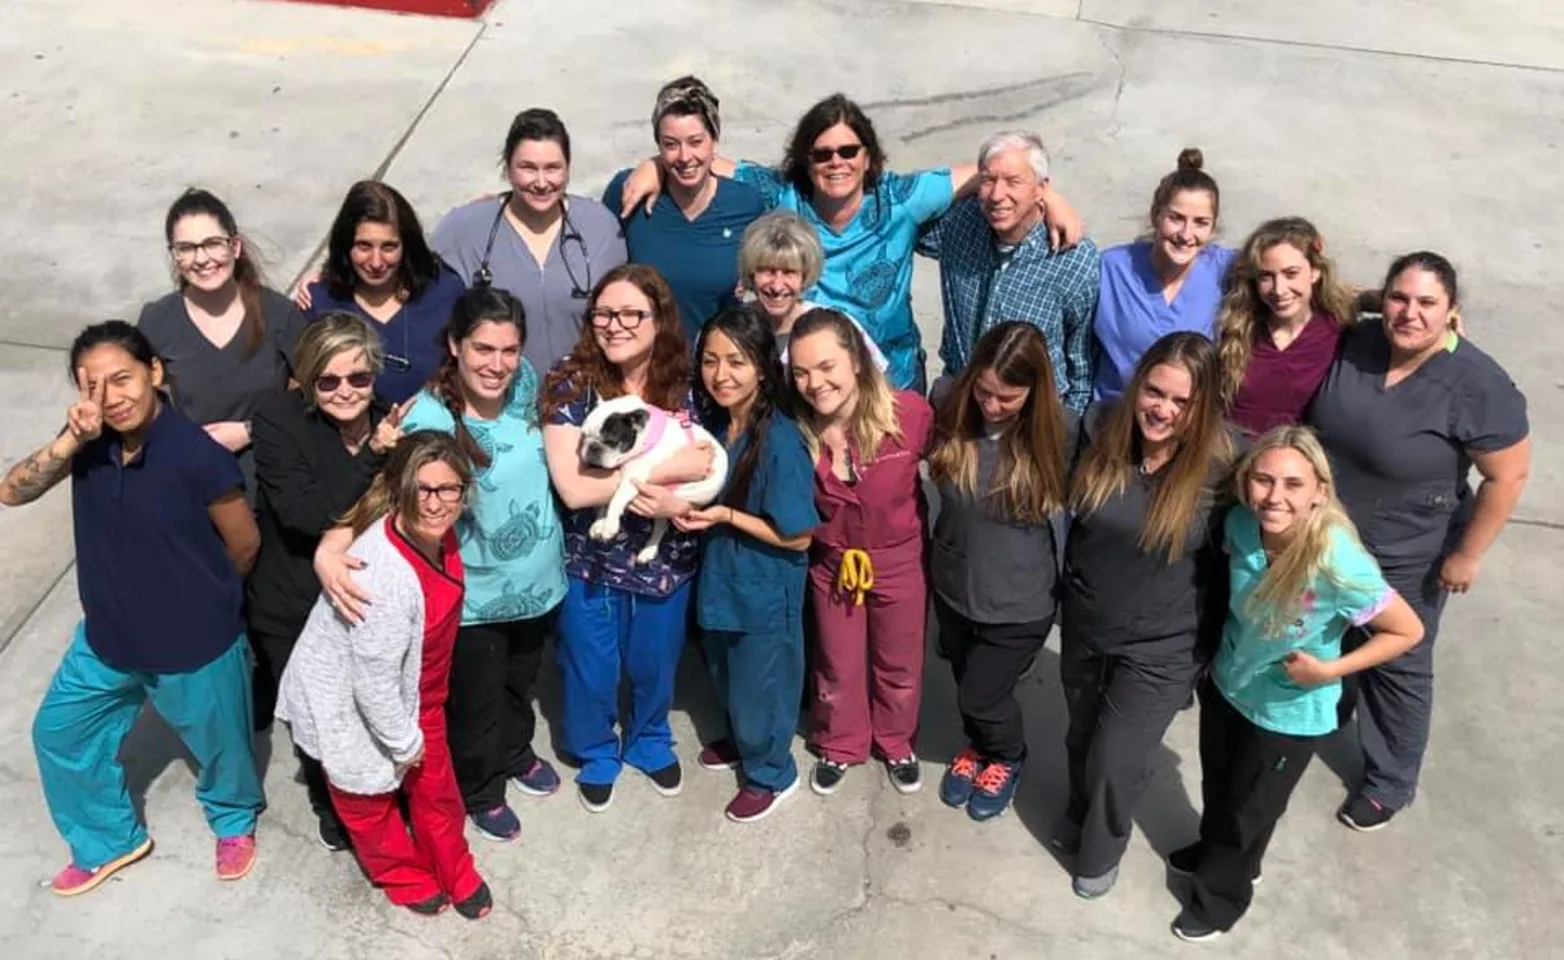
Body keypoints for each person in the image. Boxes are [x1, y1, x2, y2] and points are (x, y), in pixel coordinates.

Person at [2, 322, 264, 896]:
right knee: (59, 734)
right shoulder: (85, 443)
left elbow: (243, 544)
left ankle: (233, 820)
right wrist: (69, 443)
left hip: (192, 642)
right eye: (91, 385)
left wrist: (205, 602)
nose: (109, 396)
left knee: (223, 751)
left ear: (154, 372)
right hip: (106, 641)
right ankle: (109, 840)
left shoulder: (196, 454)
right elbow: (11, 491)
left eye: (121, 378)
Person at [315, 288, 570, 840]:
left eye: (509, 349)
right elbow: (385, 499)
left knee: (518, 684)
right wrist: (330, 546)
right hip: (471, 596)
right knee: (475, 701)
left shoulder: (527, 381)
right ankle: (481, 789)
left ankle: (515, 750)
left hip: (539, 582)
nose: (497, 365)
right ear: (455, 345)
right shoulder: (426, 417)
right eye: (482, 349)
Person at [619, 93, 1085, 391]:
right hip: (810, 387)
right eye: (822, 153)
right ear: (806, 159)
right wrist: (653, 165)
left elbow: (988, 173)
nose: (835, 162)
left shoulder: (900, 199)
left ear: (867, 157)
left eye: (848, 151)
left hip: (892, 385)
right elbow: (702, 161)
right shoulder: (784, 195)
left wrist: (1050, 196)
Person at [1166, 426, 1425, 942]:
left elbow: (1407, 630)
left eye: (1292, 483)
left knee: (1250, 809)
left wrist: (1328, 671)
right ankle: (1221, 854)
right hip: (1230, 686)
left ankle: (1221, 899)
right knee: (1220, 786)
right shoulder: (1241, 525)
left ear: (1318, 493)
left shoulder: (1338, 560)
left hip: (1290, 712)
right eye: (1262, 480)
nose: (1274, 496)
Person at [1308, 252, 1530, 832]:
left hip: (1412, 547)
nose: (1409, 313)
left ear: (1452, 313)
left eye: (1427, 303)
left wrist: (1467, 555)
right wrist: (1367, 302)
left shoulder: (1478, 383)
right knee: (1333, 624)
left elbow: (1507, 477)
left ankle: (1389, 780)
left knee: (1399, 661)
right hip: (1330, 534)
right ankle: (1336, 702)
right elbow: (1321, 292)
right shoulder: (1360, 340)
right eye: (1399, 299)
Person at [277, 432, 493, 920]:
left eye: (448, 488)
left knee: (437, 791)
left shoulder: (443, 537)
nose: (436, 503)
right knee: (364, 799)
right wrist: (401, 742)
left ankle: (456, 870)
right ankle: (402, 873)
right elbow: (371, 684)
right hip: (354, 699)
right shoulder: (381, 576)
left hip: (420, 693)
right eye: (423, 489)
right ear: (398, 489)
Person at [1056, 331, 1235, 899]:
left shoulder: (1225, 471)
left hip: (1163, 645)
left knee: (1118, 758)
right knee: (1082, 736)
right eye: (1154, 392)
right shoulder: (1098, 429)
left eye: (1182, 402)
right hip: (1086, 622)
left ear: (1202, 408)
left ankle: (1100, 852)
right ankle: (1080, 810)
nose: (1163, 409)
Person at [541, 263, 720, 812]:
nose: (614, 325)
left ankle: (648, 739)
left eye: (630, 314)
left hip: (664, 551)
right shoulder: (570, 383)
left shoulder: (689, 384)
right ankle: (596, 748)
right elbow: (573, 489)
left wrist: (685, 481)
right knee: (590, 658)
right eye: (603, 313)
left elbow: (712, 459)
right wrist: (666, 471)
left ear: (659, 319)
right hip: (590, 553)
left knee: (654, 657)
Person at [247, 312, 405, 849]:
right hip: (292, 600)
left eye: (359, 378)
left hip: (365, 599)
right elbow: (306, 513)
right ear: (310, 379)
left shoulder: (389, 420)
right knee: (317, 721)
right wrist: (372, 459)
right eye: (328, 380)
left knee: (374, 705)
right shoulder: (278, 421)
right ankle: (329, 803)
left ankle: (380, 793)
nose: (345, 391)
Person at [927, 322, 1076, 821]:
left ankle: (1008, 756)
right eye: (984, 392)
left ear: (1035, 394)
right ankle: (979, 747)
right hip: (952, 584)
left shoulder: (1063, 434)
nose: (991, 406)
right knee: (965, 678)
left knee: (982, 695)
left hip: (1019, 602)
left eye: (1007, 398)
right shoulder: (948, 401)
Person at [677, 305, 818, 822]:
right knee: (726, 671)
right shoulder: (718, 424)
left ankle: (771, 772)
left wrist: (725, 515)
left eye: (735, 362)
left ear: (762, 365)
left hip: (764, 588)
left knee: (764, 685)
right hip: (722, 580)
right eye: (711, 361)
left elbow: (798, 537)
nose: (721, 375)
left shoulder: (780, 439)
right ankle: (744, 740)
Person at [788, 307, 934, 795]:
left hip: (897, 558)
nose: (815, 383)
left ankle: (895, 739)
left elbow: (956, 462)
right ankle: (841, 742)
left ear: (855, 361)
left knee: (899, 660)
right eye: (802, 372)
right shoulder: (796, 429)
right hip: (833, 564)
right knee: (837, 661)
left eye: (826, 367)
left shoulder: (910, 414)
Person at [138, 188, 307, 500]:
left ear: (235, 246)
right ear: (175, 255)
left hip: (274, 486)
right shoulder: (157, 320)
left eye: (213, 244)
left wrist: (248, 431)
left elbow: (322, 396)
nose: (201, 259)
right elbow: (144, 408)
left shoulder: (278, 313)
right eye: (186, 248)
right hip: (195, 489)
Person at [434, 108, 628, 375]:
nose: (541, 182)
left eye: (552, 168)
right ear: (508, 169)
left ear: (568, 169)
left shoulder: (600, 227)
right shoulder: (464, 229)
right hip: (498, 402)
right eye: (527, 168)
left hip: (585, 399)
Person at [918, 132, 1100, 412]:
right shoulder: (959, 224)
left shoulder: (1072, 257)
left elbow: (1082, 361)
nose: (997, 195)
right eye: (988, 180)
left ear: (1041, 189)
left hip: (1032, 413)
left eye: (1013, 182)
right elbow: (902, 203)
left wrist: (1068, 430)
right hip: (964, 398)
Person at [602, 77, 767, 339]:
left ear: (714, 140)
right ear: (658, 146)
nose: (684, 156)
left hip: (714, 368)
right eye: (670, 144)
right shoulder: (629, 192)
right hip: (645, 367)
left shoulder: (746, 204)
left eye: (695, 141)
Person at [300, 180, 465, 404]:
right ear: (346, 246)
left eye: (389, 247)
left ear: (406, 246)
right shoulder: (318, 303)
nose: (376, 262)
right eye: (364, 246)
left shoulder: (444, 291)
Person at [1094, 149, 1232, 401]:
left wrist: (1308, 242)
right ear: (1156, 215)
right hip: (1111, 418)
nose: (1186, 233)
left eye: (1201, 222)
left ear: (1213, 228)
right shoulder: (1111, 268)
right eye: (1176, 218)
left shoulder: (1223, 269)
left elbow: (1280, 253)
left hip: (1183, 423)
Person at [1217, 217, 1355, 437]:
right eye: (1266, 277)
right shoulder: (1237, 327)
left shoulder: (1338, 332)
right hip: (1228, 455)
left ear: (1315, 272)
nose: (1279, 289)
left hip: (1292, 462)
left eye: (1291, 274)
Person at [737, 211, 886, 371]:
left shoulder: (836, 326)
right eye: (767, 271)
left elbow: (875, 385)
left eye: (789, 272)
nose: (777, 286)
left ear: (805, 275)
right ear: (751, 273)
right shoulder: (735, 327)